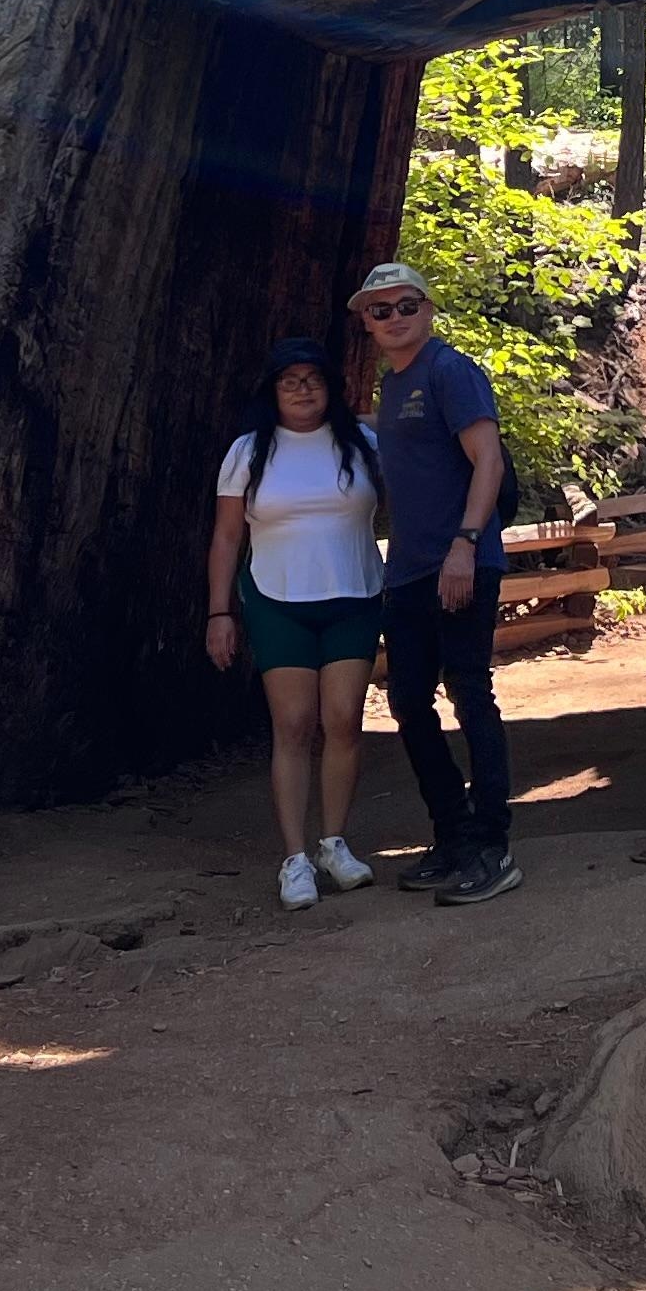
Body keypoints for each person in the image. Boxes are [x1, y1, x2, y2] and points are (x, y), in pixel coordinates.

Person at [352, 259, 522, 904]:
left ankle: (490, 844)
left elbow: (487, 458)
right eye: (380, 310)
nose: (394, 318)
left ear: (427, 310)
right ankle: (451, 833)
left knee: (470, 694)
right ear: (367, 323)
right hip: (410, 569)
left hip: (459, 562)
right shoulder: (392, 388)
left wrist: (466, 543)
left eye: (405, 305)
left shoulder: (451, 371)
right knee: (408, 703)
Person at [202, 337, 386, 910]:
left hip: (354, 595)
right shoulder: (248, 451)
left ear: (331, 387)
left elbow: (402, 510)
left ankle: (334, 842)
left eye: (313, 378)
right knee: (294, 724)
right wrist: (218, 613)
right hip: (277, 599)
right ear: (273, 391)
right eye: (290, 380)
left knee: (343, 721)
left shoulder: (363, 445)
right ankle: (295, 859)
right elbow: (228, 536)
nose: (303, 389)